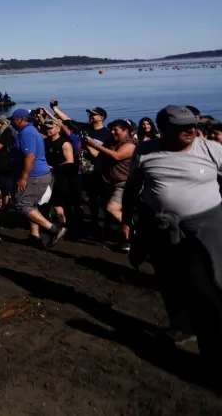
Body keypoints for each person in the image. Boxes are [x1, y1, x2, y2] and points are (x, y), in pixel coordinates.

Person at [124, 106, 222, 365]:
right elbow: (133, 186)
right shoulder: (145, 151)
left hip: (209, 225)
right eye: (183, 127)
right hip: (162, 226)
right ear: (163, 130)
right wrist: (127, 218)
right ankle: (187, 329)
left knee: (210, 285)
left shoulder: (210, 149)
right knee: (171, 278)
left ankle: (211, 347)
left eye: (193, 125)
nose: (191, 130)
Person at [9, 109, 65, 248]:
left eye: (14, 119)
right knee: (31, 204)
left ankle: (54, 229)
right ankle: (34, 236)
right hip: (37, 175)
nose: (12, 121)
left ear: (21, 119)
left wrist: (23, 177)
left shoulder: (27, 133)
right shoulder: (29, 131)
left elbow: (30, 156)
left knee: (21, 205)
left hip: (34, 176)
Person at [85, 119, 136, 251]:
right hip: (111, 182)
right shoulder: (112, 144)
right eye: (112, 130)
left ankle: (137, 231)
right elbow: (99, 155)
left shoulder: (130, 144)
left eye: (116, 130)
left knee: (112, 208)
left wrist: (95, 145)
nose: (112, 132)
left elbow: (117, 156)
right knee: (121, 213)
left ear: (125, 131)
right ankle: (127, 240)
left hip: (125, 183)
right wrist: (89, 145)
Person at [42, 117, 76, 228]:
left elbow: (70, 161)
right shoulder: (45, 142)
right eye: (46, 128)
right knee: (44, 201)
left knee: (58, 203)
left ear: (58, 129)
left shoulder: (64, 143)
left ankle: (62, 225)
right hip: (46, 176)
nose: (48, 130)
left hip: (60, 177)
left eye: (51, 128)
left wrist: (53, 168)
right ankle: (47, 222)